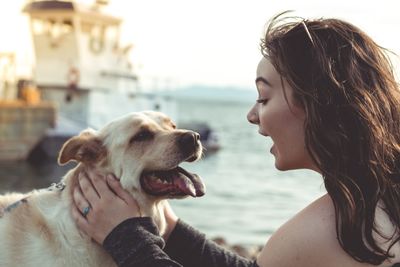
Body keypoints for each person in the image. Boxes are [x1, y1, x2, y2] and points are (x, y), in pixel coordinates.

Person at [71, 12, 400, 267]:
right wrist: (169, 230)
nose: (252, 115)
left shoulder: (337, 225)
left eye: (264, 97)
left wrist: (125, 235)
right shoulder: (378, 197)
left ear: (317, 103)